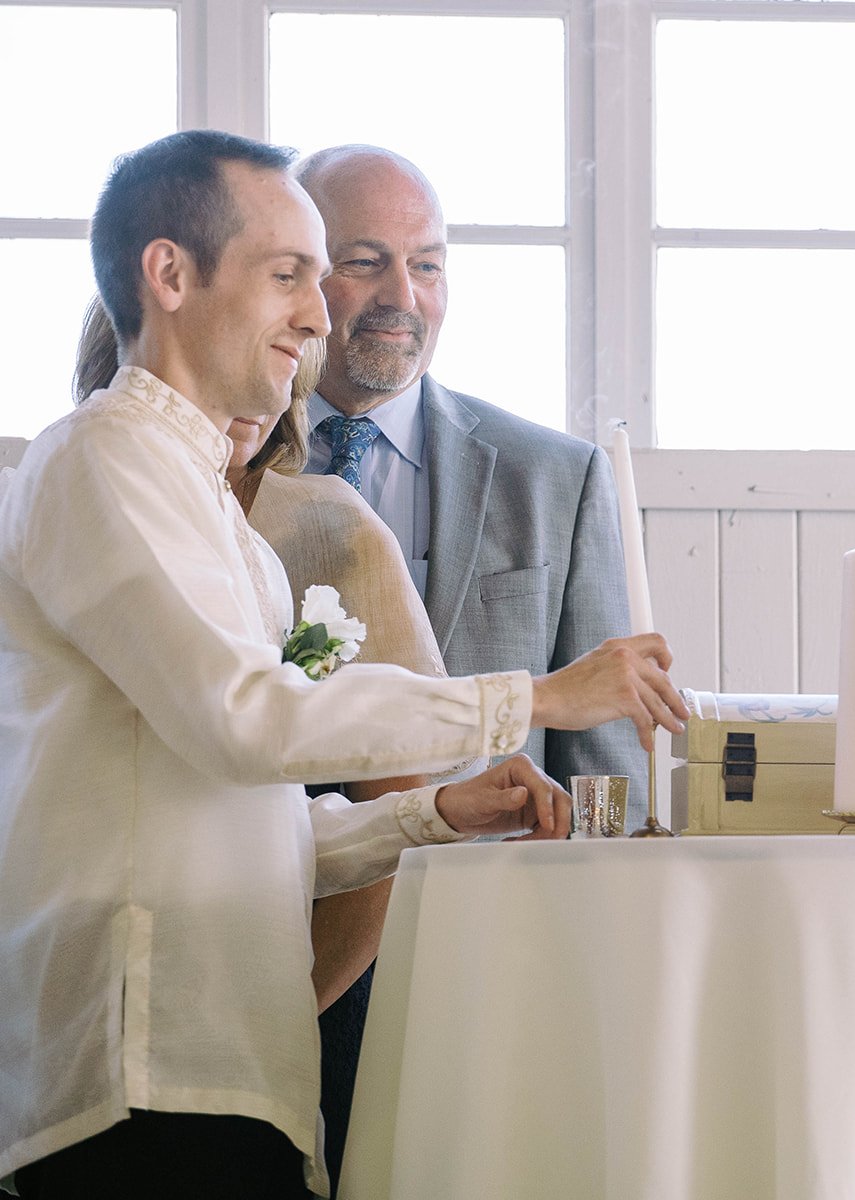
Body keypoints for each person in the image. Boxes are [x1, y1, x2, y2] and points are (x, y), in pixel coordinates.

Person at [0, 129, 687, 1199]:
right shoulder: (103, 456)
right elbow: (247, 722)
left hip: (233, 1077)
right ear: (170, 275)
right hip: (144, 1074)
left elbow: (255, 823)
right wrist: (535, 699)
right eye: (292, 277)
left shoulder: (205, 503)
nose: (321, 316)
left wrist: (430, 819)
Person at [75, 299, 444, 1191]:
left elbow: (384, 790)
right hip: (88, 997)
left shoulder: (327, 525)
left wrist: (278, 1005)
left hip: (287, 987)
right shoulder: (71, 497)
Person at [291, 145, 646, 812]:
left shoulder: (556, 479)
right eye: (364, 263)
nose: (402, 297)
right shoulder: (225, 462)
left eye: (427, 266)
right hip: (270, 892)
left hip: (494, 897)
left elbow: (608, 774)